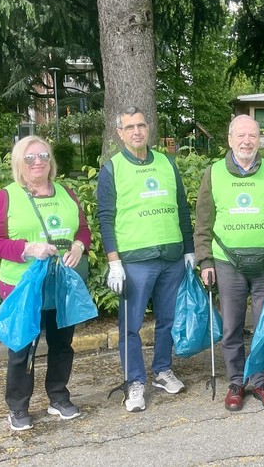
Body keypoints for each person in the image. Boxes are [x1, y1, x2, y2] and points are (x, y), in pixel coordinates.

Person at [0, 136, 91, 431]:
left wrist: (80, 247)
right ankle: (18, 407)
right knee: (22, 348)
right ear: (19, 162)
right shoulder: (5, 197)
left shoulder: (66, 192)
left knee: (62, 345)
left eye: (43, 155)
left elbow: (83, 230)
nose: (38, 161)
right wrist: (29, 248)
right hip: (22, 287)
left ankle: (58, 397)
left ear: (50, 160)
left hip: (60, 285)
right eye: (30, 157)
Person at [195, 114, 264, 411]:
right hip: (228, 263)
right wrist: (205, 261)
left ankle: (262, 383)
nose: (246, 141)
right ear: (229, 140)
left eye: (252, 135)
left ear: (259, 139)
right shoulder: (213, 173)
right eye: (240, 135)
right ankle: (236, 382)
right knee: (231, 326)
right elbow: (203, 222)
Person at [97, 106, 195, 413]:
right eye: (130, 127)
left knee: (168, 320)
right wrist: (114, 261)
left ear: (147, 128)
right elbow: (105, 218)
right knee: (131, 326)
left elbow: (181, 208)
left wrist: (189, 249)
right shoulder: (112, 168)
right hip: (135, 261)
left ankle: (162, 370)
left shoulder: (167, 163)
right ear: (120, 133)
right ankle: (134, 381)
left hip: (171, 257)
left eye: (141, 125)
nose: (137, 131)